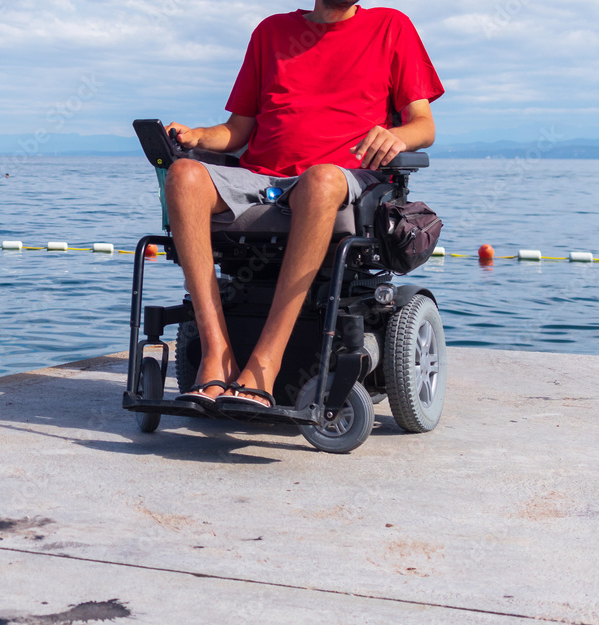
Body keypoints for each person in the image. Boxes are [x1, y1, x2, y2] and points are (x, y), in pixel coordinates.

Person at [166, 0, 444, 411]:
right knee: (183, 175)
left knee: (321, 177)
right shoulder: (270, 33)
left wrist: (399, 136)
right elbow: (237, 130)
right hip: (263, 177)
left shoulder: (390, 26)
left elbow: (425, 125)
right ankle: (216, 354)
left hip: (342, 178)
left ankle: (264, 364)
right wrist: (198, 136)